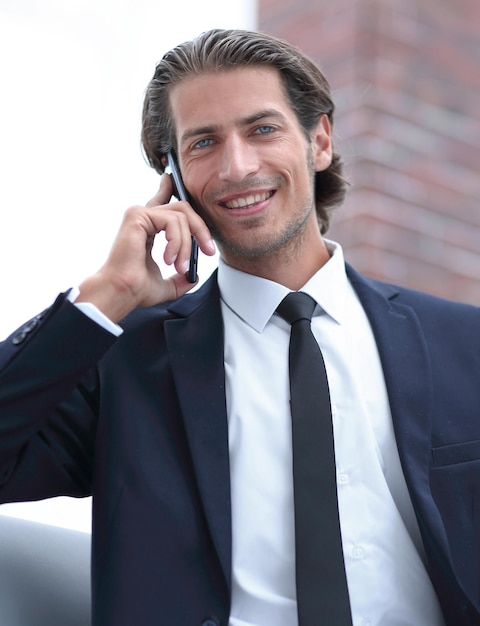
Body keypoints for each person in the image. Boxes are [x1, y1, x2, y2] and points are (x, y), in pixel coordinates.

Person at [0, 27, 479, 626]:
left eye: (263, 129)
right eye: (203, 143)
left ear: (320, 140)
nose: (237, 166)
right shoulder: (128, 362)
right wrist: (109, 292)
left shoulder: (464, 345)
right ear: (171, 178)